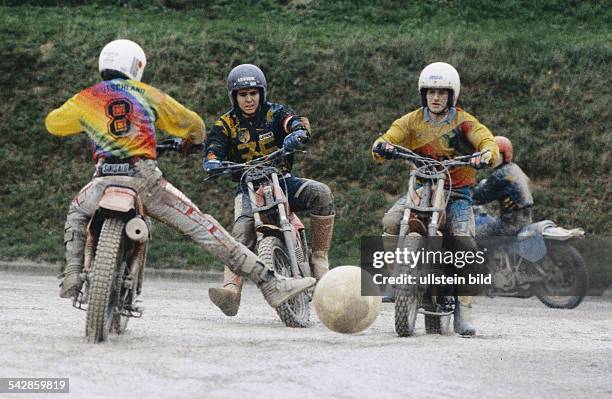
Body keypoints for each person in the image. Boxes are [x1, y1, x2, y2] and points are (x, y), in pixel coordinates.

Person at [44, 40, 314, 310]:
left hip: (102, 179)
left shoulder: (87, 98)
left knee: (77, 214)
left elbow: (53, 123)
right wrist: (192, 141)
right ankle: (271, 283)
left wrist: (88, 122)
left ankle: (72, 275)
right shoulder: (146, 94)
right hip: (144, 179)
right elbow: (193, 124)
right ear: (136, 66)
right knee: (205, 227)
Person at [371, 62, 500, 336]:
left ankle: (462, 310)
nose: (436, 97)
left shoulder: (465, 123)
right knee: (392, 221)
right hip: (421, 188)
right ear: (423, 93)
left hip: (456, 193)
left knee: (462, 239)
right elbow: (388, 137)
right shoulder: (412, 121)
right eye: (430, 91)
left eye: (442, 92)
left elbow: (487, 141)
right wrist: (382, 146)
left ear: (452, 95)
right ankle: (397, 280)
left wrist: (486, 153)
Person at [204, 64, 335, 316]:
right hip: (248, 188)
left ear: (261, 93)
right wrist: (211, 161)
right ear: (234, 97)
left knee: (321, 193)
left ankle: (319, 257)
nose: (249, 99)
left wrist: (297, 133)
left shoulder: (276, 113)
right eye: (243, 95)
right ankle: (231, 291)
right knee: (241, 231)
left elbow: (294, 123)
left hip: (283, 180)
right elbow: (213, 147)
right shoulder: (225, 124)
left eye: (253, 93)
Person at [474, 136, 533, 239]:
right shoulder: (515, 169)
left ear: (504, 155)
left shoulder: (500, 174)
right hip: (526, 220)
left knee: (474, 234)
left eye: (495, 154)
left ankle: (478, 255)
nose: (492, 158)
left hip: (510, 225)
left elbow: (479, 197)